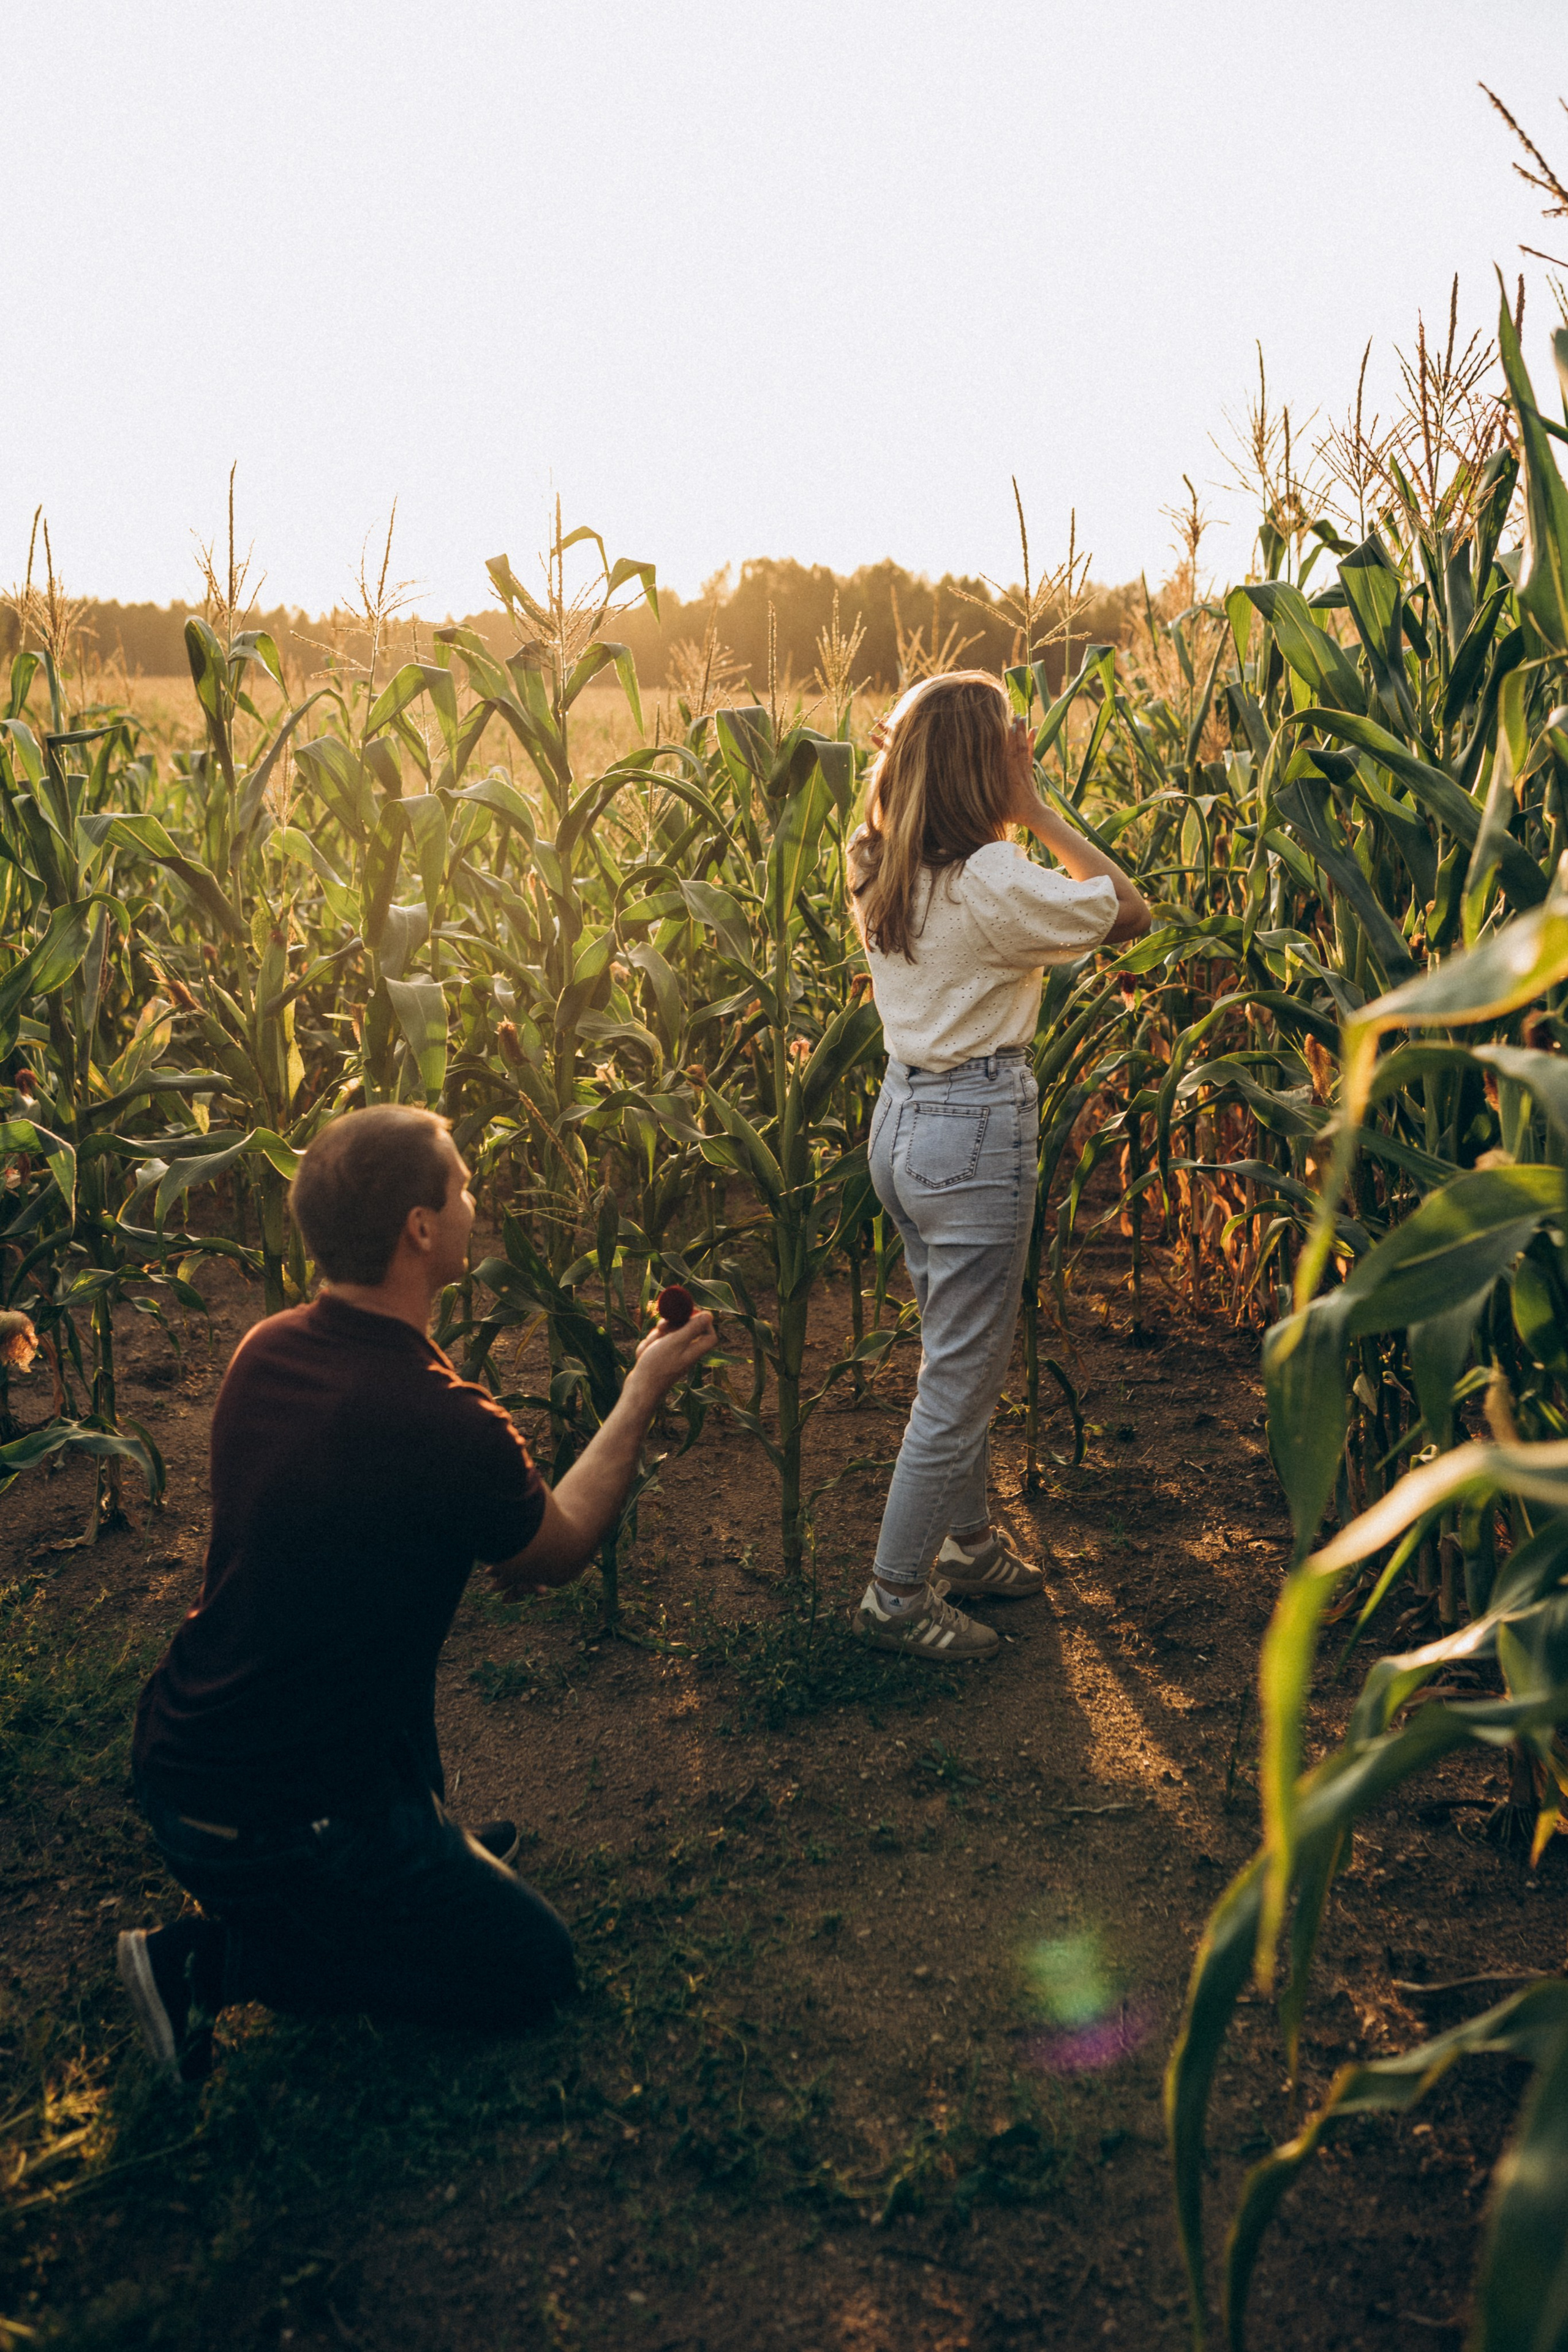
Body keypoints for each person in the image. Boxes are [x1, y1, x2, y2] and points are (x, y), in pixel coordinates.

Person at [119, 1106, 713, 2082]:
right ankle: (208, 1961)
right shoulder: (441, 1423)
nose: (478, 1202)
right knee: (530, 1968)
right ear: (420, 1228)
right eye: (465, 1186)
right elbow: (554, 1552)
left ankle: (404, 1845)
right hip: (275, 1818)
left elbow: (349, 1547)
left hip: (181, 1760)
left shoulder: (265, 1350)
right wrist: (643, 1388)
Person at [847, 671, 1151, 1661]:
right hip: (973, 1131)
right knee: (962, 1378)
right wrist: (1036, 809)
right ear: (988, 766)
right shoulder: (993, 878)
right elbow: (1130, 910)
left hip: (901, 1124)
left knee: (952, 1355)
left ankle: (969, 1547)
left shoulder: (874, 857)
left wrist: (998, 805)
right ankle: (895, 1596)